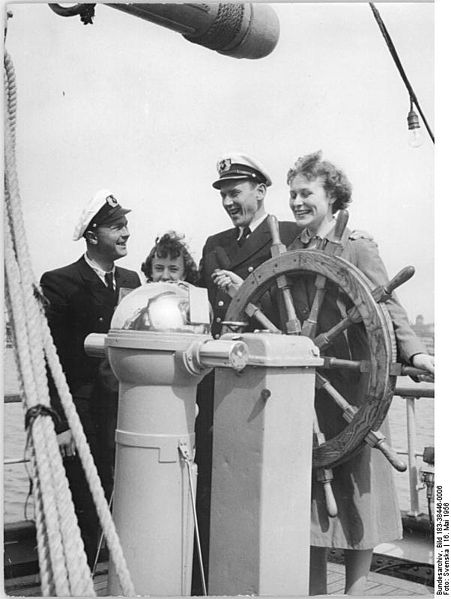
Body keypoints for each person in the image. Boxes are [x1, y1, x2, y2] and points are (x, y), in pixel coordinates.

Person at [214, 150, 434, 595]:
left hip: (358, 391)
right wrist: (246, 289)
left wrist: (415, 354)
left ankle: (353, 592)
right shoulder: (294, 250)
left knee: (359, 497)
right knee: (310, 499)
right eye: (292, 193)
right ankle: (314, 591)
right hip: (310, 395)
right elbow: (280, 313)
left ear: (331, 196)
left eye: (306, 193)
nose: (296, 202)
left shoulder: (357, 245)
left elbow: (387, 304)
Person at [192, 153, 299, 592]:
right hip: (220, 384)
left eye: (235, 193)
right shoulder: (214, 243)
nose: (228, 202)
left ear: (260, 190)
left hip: (267, 383)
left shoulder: (293, 236)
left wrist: (246, 292)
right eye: (223, 195)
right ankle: (206, 579)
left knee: (263, 491)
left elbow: (299, 310)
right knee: (214, 483)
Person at [40, 189, 141, 568]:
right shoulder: (59, 283)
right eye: (117, 226)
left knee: (120, 494)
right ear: (92, 235)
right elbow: (47, 359)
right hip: (80, 413)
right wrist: (61, 425)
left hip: (122, 411)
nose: (126, 232)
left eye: (126, 224)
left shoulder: (132, 279)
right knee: (83, 500)